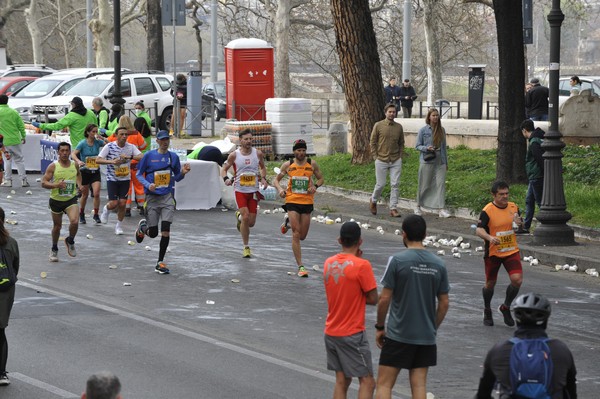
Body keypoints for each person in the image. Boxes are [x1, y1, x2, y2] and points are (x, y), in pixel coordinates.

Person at [375, 214, 450, 399]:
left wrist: (379, 327)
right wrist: (432, 327)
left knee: (384, 384)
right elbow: (444, 303)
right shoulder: (439, 264)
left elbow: (384, 299)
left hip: (398, 333)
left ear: (404, 234)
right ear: (425, 234)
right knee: (419, 386)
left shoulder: (398, 261)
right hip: (425, 336)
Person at [475, 292, 577, 399]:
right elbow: (571, 390)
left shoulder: (499, 350)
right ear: (545, 320)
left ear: (517, 319)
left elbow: (483, 393)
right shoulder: (561, 350)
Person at [323, 221, 378, 399]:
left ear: (339, 240)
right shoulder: (362, 265)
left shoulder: (328, 263)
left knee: (342, 380)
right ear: (359, 241)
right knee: (368, 381)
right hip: (352, 334)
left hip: (331, 331)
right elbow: (373, 298)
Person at [135, 130, 191, 275]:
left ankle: (160, 262)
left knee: (165, 230)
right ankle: (143, 229)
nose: (165, 142)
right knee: (153, 233)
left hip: (167, 197)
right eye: (162, 140)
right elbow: (138, 174)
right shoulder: (148, 156)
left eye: (167, 139)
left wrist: (183, 173)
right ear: (157, 141)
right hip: (152, 198)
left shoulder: (173, 157)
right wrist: (148, 185)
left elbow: (177, 177)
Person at [273, 139, 324, 277]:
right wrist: (280, 190)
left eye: (303, 150)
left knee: (302, 236)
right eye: (298, 150)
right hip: (292, 200)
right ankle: (301, 266)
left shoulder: (311, 164)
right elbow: (276, 180)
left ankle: (287, 223)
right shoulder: (288, 165)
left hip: (307, 201)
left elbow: (321, 179)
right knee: (296, 233)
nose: (301, 153)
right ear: (294, 151)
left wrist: (315, 187)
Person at [475, 181, 524, 327]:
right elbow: (479, 230)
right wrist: (490, 238)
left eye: (506, 193)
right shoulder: (487, 210)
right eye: (501, 194)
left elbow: (518, 226)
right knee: (490, 283)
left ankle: (506, 307)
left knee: (517, 280)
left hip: (511, 250)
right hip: (494, 252)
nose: (505, 197)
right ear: (494, 195)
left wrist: (519, 223)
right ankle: (487, 309)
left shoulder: (513, 207)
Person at [221, 128, 268, 258]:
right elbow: (224, 169)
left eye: (250, 139)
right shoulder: (234, 155)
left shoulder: (257, 154)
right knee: (246, 217)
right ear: (240, 140)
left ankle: (239, 217)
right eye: (246, 139)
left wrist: (263, 178)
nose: (249, 141)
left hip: (253, 190)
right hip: (240, 190)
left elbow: (263, 167)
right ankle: (246, 247)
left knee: (250, 223)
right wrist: (225, 179)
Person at [96, 127, 143, 235]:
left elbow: (141, 156)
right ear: (116, 135)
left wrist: (130, 157)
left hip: (125, 179)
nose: (124, 136)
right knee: (113, 203)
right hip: (112, 179)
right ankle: (106, 209)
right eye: (121, 134)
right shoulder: (109, 146)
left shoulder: (130, 147)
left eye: (126, 134)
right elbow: (98, 160)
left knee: (122, 204)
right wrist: (112, 162)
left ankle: (118, 226)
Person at [41, 142, 83, 262]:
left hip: (71, 199)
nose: (64, 153)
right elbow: (44, 183)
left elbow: (79, 175)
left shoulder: (75, 165)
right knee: (57, 226)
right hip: (56, 200)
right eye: (62, 151)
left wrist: (79, 185)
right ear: (58, 152)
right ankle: (54, 248)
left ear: (70, 152)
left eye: (67, 150)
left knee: (74, 222)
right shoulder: (53, 166)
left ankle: (70, 241)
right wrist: (56, 185)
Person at [369, 103, 404, 218]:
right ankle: (373, 201)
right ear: (385, 113)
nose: (392, 114)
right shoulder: (378, 125)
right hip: (381, 159)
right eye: (390, 112)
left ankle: (393, 208)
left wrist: (399, 155)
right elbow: (372, 142)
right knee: (381, 184)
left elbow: (401, 143)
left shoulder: (399, 127)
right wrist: (375, 156)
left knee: (395, 184)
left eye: (394, 112)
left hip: (395, 160)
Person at [415, 108, 450, 218]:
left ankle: (441, 209)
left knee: (440, 184)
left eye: (437, 115)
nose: (435, 117)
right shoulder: (423, 130)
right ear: (429, 117)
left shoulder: (441, 130)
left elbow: (444, 147)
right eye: (433, 115)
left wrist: (446, 162)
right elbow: (417, 146)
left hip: (440, 160)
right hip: (427, 159)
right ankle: (418, 205)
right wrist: (426, 148)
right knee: (424, 183)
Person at [110, 116, 147, 217]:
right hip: (136, 164)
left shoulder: (117, 134)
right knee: (139, 186)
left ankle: (127, 208)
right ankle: (142, 206)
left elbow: (110, 142)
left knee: (127, 187)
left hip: (123, 166)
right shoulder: (136, 134)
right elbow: (144, 146)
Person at [71, 124, 107, 224]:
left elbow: (111, 144)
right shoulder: (82, 143)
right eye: (93, 132)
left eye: (96, 131)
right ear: (88, 132)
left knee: (96, 193)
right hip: (85, 171)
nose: (95, 134)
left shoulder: (98, 142)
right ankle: (81, 213)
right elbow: (73, 153)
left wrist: (102, 137)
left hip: (95, 171)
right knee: (85, 194)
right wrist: (78, 161)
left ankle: (96, 214)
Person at [0, 207, 19, 386]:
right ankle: (2, 373)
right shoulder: (11, 242)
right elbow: (15, 269)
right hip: (5, 291)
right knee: (0, 331)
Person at [33, 96, 97, 148]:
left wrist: (41, 125)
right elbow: (97, 127)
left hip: (78, 147)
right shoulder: (91, 113)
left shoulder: (71, 116)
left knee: (79, 163)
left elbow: (57, 126)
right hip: (92, 145)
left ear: (73, 104)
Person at [520, 119, 545, 234]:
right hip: (534, 176)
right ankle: (526, 226)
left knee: (539, 201)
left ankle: (545, 224)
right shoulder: (539, 138)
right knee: (529, 200)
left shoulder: (534, 142)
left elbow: (538, 158)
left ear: (525, 130)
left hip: (536, 175)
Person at [0, 94, 28, 188]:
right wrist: (23, 136)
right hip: (16, 140)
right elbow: (21, 125)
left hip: (4, 141)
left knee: (7, 160)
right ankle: (23, 180)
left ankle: (8, 180)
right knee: (19, 160)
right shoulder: (14, 112)